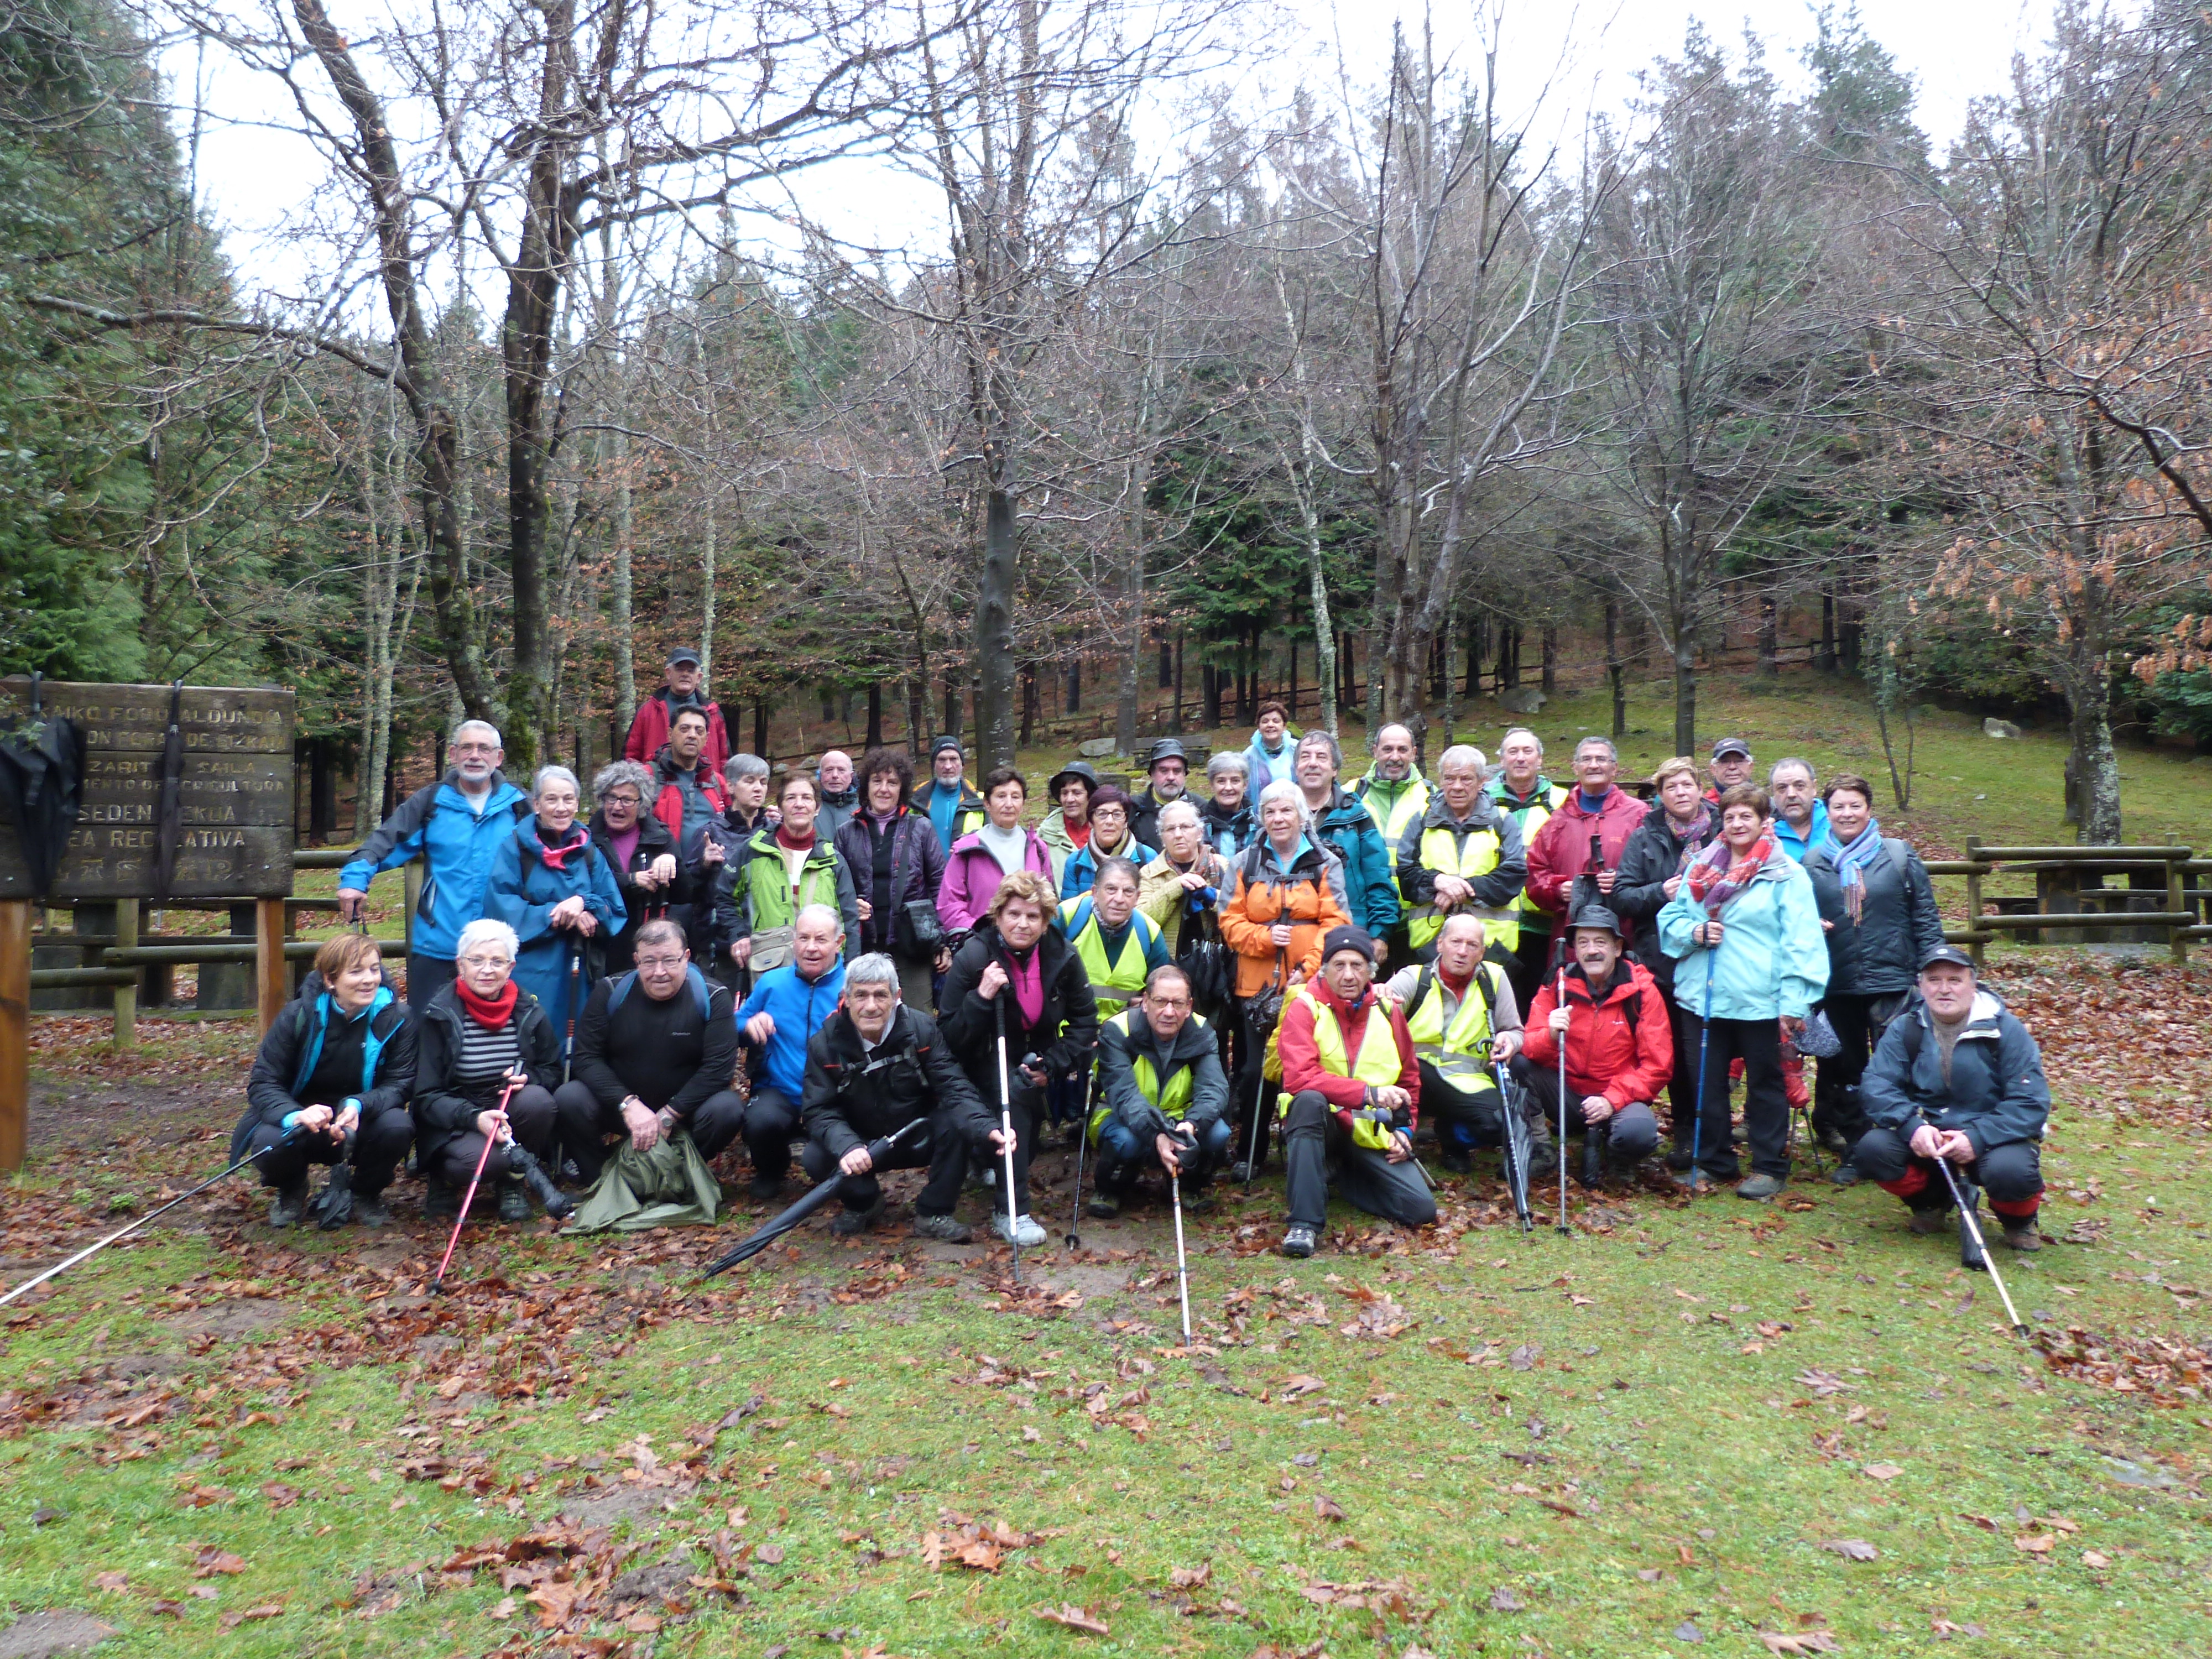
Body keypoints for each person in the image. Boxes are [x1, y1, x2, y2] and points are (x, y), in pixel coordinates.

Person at [1657, 784, 1829, 1199]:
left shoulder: (1786, 874)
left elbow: (1803, 941)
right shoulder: (1700, 866)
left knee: (1766, 1085)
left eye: (1746, 816)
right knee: (1707, 1082)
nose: (1737, 824)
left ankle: (1770, 1166)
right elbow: (1670, 918)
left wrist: (1795, 1001)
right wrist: (1695, 932)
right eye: (1730, 816)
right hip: (1703, 997)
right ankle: (1715, 1160)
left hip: (1762, 1000)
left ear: (1764, 821)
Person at [938, 870, 1099, 1246]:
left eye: (1033, 916)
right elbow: (948, 1036)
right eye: (1013, 914)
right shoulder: (973, 956)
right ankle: (1011, 1211)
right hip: (979, 1056)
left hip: (1037, 1058)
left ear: (1046, 922)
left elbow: (1085, 1022)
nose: (1022, 924)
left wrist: (1053, 1064)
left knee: (1024, 1120)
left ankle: (992, 1163)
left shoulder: (1063, 956)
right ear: (998, 916)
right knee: (1015, 1100)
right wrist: (981, 997)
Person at [1853, 945, 2049, 1252]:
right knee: (1872, 1150)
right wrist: (1912, 1126)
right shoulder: (1905, 1028)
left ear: (1973, 985)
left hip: (1993, 1136)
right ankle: (1931, 1202)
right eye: (1934, 980)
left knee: (2012, 1172)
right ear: (1921, 986)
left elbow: (2030, 1101)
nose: (1944, 989)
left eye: (1954, 980)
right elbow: (1877, 1085)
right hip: (1929, 1135)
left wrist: (1977, 1137)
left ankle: (2018, 1221)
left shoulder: (2007, 1030)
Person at [1801, 773, 1944, 1185]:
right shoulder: (1812, 863)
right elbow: (1797, 922)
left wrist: (1932, 972)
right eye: (1838, 807)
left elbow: (1925, 917)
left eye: (1855, 805)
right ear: (1827, 813)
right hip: (1837, 983)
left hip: (1893, 981)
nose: (1847, 814)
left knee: (1896, 1068)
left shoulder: (1898, 856)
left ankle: (1900, 1146)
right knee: (1843, 1070)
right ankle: (1857, 1149)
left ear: (1868, 809)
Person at [337, 718, 528, 1010]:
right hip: (439, 945)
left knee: (498, 1033)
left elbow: (554, 855)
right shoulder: (431, 802)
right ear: (453, 754)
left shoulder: (519, 806)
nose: (475, 755)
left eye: (484, 748)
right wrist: (354, 880)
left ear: (498, 757)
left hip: (502, 950)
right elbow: (383, 843)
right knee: (427, 1030)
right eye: (467, 747)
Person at [799, 953, 987, 1241]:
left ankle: (934, 1212)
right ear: (846, 999)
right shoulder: (824, 1045)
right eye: (860, 995)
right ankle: (864, 1203)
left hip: (916, 1133)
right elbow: (818, 1111)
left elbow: (954, 1086)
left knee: (957, 1121)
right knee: (816, 1156)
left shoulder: (922, 1029)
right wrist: (848, 1146)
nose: (870, 1006)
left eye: (880, 995)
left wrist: (987, 1127)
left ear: (897, 997)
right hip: (862, 1144)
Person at [1273, 926, 1436, 1258]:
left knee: (1421, 1210)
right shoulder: (1304, 1007)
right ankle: (1304, 1223)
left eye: (1357, 965)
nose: (1348, 975)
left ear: (1371, 971)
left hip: (1371, 1132)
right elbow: (1300, 1077)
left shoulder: (1389, 1010)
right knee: (1308, 1101)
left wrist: (1406, 1130)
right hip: (1322, 1124)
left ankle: (1340, 1174)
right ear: (1324, 970)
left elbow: (1409, 1079)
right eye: (1339, 965)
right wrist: (1367, 1093)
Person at [234, 932, 416, 1227]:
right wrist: (295, 1115)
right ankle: (292, 1189)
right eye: (356, 972)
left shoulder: (400, 1019)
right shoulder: (297, 1016)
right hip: (305, 1119)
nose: (369, 980)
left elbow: (401, 1083)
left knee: (398, 1126)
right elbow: (264, 1082)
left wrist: (359, 1105)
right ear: (331, 980)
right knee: (270, 1141)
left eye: (374, 969)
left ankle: (366, 1193)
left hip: (363, 1118)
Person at [1217, 780, 1352, 1177]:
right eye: (1270, 812)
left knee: (1311, 1067)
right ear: (1262, 818)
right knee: (1254, 1072)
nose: (1278, 819)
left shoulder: (1326, 862)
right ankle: (1251, 1154)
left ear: (1302, 816)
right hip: (1257, 990)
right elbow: (1228, 921)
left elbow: (1337, 922)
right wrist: (1263, 938)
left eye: (1286, 810)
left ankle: (1314, 1151)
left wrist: (1307, 970)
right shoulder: (1244, 862)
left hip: (1310, 987)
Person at [554, 917, 743, 1188]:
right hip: (622, 1108)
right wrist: (628, 1104)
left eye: (670, 961)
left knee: (727, 1109)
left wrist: (671, 1113)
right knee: (569, 1097)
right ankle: (600, 1179)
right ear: (636, 960)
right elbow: (586, 1058)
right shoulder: (611, 991)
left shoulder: (713, 997)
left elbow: (719, 1069)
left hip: (687, 1110)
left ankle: (684, 1178)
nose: (659, 972)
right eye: (649, 962)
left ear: (687, 957)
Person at [409, 918, 561, 1220]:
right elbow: (426, 1095)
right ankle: (442, 1177)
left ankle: (513, 1182)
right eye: (476, 960)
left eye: (497, 962)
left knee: (539, 1101)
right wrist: (474, 1118)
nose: (487, 970)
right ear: (460, 965)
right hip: (454, 1119)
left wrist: (530, 1078)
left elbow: (552, 1069)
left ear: (511, 967)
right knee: (487, 1162)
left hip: (507, 1108)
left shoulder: (529, 1009)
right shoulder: (438, 1014)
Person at [1613, 756, 1719, 1166]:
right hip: (1663, 964)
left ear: (1699, 789)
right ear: (1660, 795)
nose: (1680, 793)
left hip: (1717, 957)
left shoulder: (1722, 830)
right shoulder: (1645, 837)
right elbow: (1622, 896)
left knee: (1714, 1052)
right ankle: (1686, 1133)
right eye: (1670, 787)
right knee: (1677, 1052)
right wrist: (1661, 891)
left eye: (1686, 784)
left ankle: (1717, 1133)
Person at [1516, 905, 1671, 1186]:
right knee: (1516, 1066)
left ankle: (1618, 1155)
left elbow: (1658, 1066)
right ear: (1574, 949)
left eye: (1600, 942)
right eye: (1583, 943)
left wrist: (1611, 1100)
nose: (1592, 951)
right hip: (1566, 1093)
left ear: (1617, 948)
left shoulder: (1642, 992)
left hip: (1619, 1096)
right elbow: (1528, 1046)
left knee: (1638, 1135)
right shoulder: (1557, 986)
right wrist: (1550, 1035)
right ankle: (1540, 1147)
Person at [1379, 911, 1531, 1175]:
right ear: (1440, 944)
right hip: (1418, 1076)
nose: (1462, 951)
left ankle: (1451, 1137)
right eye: (1456, 942)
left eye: (1472, 945)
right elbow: (1375, 1015)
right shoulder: (1414, 977)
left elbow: (1516, 1031)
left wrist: (1509, 1040)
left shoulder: (1495, 978)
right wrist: (1377, 995)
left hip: (1468, 1080)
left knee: (1500, 1125)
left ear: (1482, 952)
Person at [483, 765, 626, 1043]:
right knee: (535, 1040)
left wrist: (584, 903)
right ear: (537, 804)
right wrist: (558, 914)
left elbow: (614, 909)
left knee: (577, 1043)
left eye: (568, 799)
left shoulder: (588, 851)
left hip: (581, 969)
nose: (561, 808)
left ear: (577, 804)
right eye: (552, 799)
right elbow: (500, 908)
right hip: (532, 968)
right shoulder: (516, 848)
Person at [1087, 964, 1232, 1218]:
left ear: (1189, 1006)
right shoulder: (1117, 1030)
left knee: (1219, 1133)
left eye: (1178, 1003)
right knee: (1128, 1141)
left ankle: (1189, 1185)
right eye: (1160, 1001)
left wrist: (1190, 1126)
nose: (1169, 1012)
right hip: (1120, 1115)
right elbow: (1124, 1096)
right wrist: (1157, 1133)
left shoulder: (1202, 1032)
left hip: (1180, 1117)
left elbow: (1214, 1089)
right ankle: (1110, 1188)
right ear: (1145, 1002)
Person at [732, 906, 849, 1201]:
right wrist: (749, 1024)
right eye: (803, 938)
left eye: (821, 939)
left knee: (824, 1160)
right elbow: (733, 1024)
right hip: (780, 1089)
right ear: (793, 941)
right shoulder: (772, 983)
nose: (811, 948)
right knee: (760, 1121)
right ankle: (772, 1170)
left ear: (839, 942)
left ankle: (836, 1172)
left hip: (833, 1093)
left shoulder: (852, 988)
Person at [834, 747, 949, 1011]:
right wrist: (850, 905)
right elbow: (834, 888)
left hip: (913, 945)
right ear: (866, 786)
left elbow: (940, 886)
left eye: (893, 782)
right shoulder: (846, 833)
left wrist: (941, 941)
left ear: (902, 788)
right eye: (877, 781)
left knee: (917, 1017)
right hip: (864, 945)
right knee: (868, 1014)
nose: (884, 789)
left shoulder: (921, 828)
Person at [714, 773, 862, 974]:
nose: (799, 804)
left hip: (824, 970)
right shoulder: (753, 851)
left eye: (807, 798)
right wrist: (738, 935)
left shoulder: (833, 859)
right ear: (780, 807)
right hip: (769, 967)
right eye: (791, 798)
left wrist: (849, 971)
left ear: (817, 808)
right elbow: (724, 897)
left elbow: (849, 920)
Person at [1394, 745, 1527, 963]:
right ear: (1440, 780)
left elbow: (1513, 876)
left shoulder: (1502, 821)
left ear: (1482, 781)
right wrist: (1437, 881)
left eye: (1466, 779)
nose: (1457, 787)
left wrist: (1462, 889)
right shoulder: (1421, 820)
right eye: (1449, 779)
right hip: (1430, 946)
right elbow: (1406, 877)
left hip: (1490, 948)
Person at [1525, 737, 1646, 974]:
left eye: (1601, 759)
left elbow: (1656, 872)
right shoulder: (1558, 821)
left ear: (1615, 767)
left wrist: (1624, 882)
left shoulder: (1639, 815)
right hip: (1572, 938)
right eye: (1586, 759)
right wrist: (1557, 890)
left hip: (1625, 934)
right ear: (1575, 767)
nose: (1594, 765)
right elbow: (1535, 873)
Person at [1294, 731, 1400, 958]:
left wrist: (1380, 934)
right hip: (1293, 937)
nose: (1312, 763)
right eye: (1305, 756)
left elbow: (1378, 877)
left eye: (1321, 757)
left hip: (1349, 935)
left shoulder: (1357, 816)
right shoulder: (1278, 816)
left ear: (1335, 769)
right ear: (1296, 767)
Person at [1485, 727, 1567, 1004]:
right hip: (1493, 921)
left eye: (1527, 751)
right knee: (1497, 1002)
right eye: (1513, 752)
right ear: (1502, 759)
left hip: (1543, 922)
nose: (1520, 758)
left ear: (1539, 759)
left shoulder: (1563, 801)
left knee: (1540, 1001)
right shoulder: (1482, 799)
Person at [586, 759, 687, 973]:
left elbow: (685, 893)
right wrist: (631, 881)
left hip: (650, 947)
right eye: (611, 797)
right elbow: (585, 884)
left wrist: (671, 860)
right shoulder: (587, 838)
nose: (617, 806)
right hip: (602, 946)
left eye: (627, 800)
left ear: (642, 804)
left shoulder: (660, 837)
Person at [937, 766, 1054, 937]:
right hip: (980, 945)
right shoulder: (966, 851)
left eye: (1015, 797)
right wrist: (980, 935)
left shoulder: (1038, 848)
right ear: (987, 803)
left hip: (1029, 942)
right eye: (1001, 796)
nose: (1009, 804)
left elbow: (1049, 901)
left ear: (1023, 803)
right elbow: (950, 906)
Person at [692, 753, 775, 987]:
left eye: (763, 782)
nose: (758, 788)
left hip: (771, 943)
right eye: (750, 781)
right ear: (730, 786)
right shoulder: (710, 832)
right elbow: (686, 891)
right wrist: (703, 865)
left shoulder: (775, 832)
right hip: (721, 947)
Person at [1056, 857, 1168, 1025]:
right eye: (1111, 889)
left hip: (1123, 1033)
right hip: (1066, 1030)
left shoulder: (1150, 933)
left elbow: (1161, 992)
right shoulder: (1066, 918)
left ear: (1138, 897)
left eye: (1128, 891)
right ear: (1095, 893)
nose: (1119, 899)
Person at [1137, 799, 1230, 958]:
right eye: (1170, 829)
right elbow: (1141, 922)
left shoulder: (1221, 865)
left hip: (1215, 962)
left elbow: (1240, 910)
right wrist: (1175, 887)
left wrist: (1213, 897)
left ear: (1199, 833)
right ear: (1162, 837)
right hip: (1167, 963)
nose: (1178, 835)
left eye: (1185, 827)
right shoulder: (1149, 873)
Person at [624, 645, 732, 778]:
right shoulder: (647, 711)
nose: (685, 674)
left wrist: (721, 787)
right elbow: (631, 757)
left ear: (699, 677)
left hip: (704, 786)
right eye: (680, 669)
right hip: (657, 785)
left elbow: (725, 761)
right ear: (668, 673)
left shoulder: (714, 714)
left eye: (691, 670)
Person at [647, 705, 732, 846]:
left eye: (699, 731)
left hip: (711, 860)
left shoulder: (716, 782)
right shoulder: (648, 777)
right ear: (670, 734)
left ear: (706, 738)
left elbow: (737, 823)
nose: (692, 735)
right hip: (662, 858)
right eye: (684, 729)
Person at [1060, 785, 1156, 899]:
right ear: (1090, 822)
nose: (1110, 821)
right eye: (1102, 814)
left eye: (1117, 815)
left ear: (1126, 822)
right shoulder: (1075, 863)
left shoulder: (1147, 858)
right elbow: (1070, 908)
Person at [913, 737, 985, 849]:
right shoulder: (915, 802)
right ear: (934, 765)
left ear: (962, 764)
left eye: (954, 759)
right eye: (942, 760)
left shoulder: (982, 802)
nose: (948, 766)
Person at [1038, 759, 1097, 886]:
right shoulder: (1045, 835)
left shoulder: (1105, 831)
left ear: (1091, 795)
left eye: (1077, 793)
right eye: (1065, 793)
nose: (1069, 799)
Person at [1128, 738, 1192, 850]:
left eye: (1177, 771)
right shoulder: (1133, 808)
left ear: (1185, 774)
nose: (1171, 777)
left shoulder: (1200, 808)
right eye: (1164, 771)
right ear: (1152, 774)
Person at [1768, 759, 1831, 863]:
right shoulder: (1766, 835)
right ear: (1773, 793)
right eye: (1782, 788)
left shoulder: (1837, 821)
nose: (1791, 794)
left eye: (1799, 786)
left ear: (1814, 788)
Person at [1198, 752, 1255, 859]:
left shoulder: (1257, 827)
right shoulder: (1199, 827)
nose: (1228, 788)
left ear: (1245, 785)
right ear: (1212, 785)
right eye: (1221, 781)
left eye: (1235, 781)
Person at [1241, 700, 1297, 795]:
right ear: (1259, 727)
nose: (1270, 725)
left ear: (1284, 727)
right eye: (1265, 721)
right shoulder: (1249, 755)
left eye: (1276, 721)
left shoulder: (1297, 749)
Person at [815, 750, 859, 838]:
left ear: (851, 776)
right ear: (820, 775)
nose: (835, 775)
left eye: (841, 770)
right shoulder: (809, 807)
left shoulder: (866, 807)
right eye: (829, 770)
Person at [1707, 737, 1755, 803]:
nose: (1732, 767)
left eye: (1739, 761)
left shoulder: (1765, 804)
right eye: (1725, 762)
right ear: (1713, 769)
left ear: (1751, 767)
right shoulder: (1703, 806)